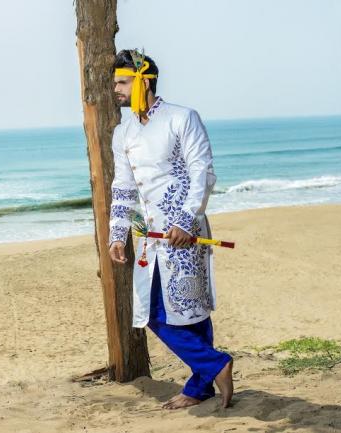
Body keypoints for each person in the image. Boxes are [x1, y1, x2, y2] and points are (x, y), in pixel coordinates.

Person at [108, 49, 234, 409]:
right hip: (150, 237)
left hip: (186, 234)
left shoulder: (182, 118)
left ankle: (209, 373)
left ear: (144, 81)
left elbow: (202, 172)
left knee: (190, 310)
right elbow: (123, 186)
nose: (116, 89)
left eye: (122, 82)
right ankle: (207, 377)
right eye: (115, 82)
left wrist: (184, 220)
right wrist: (117, 233)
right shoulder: (123, 132)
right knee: (154, 313)